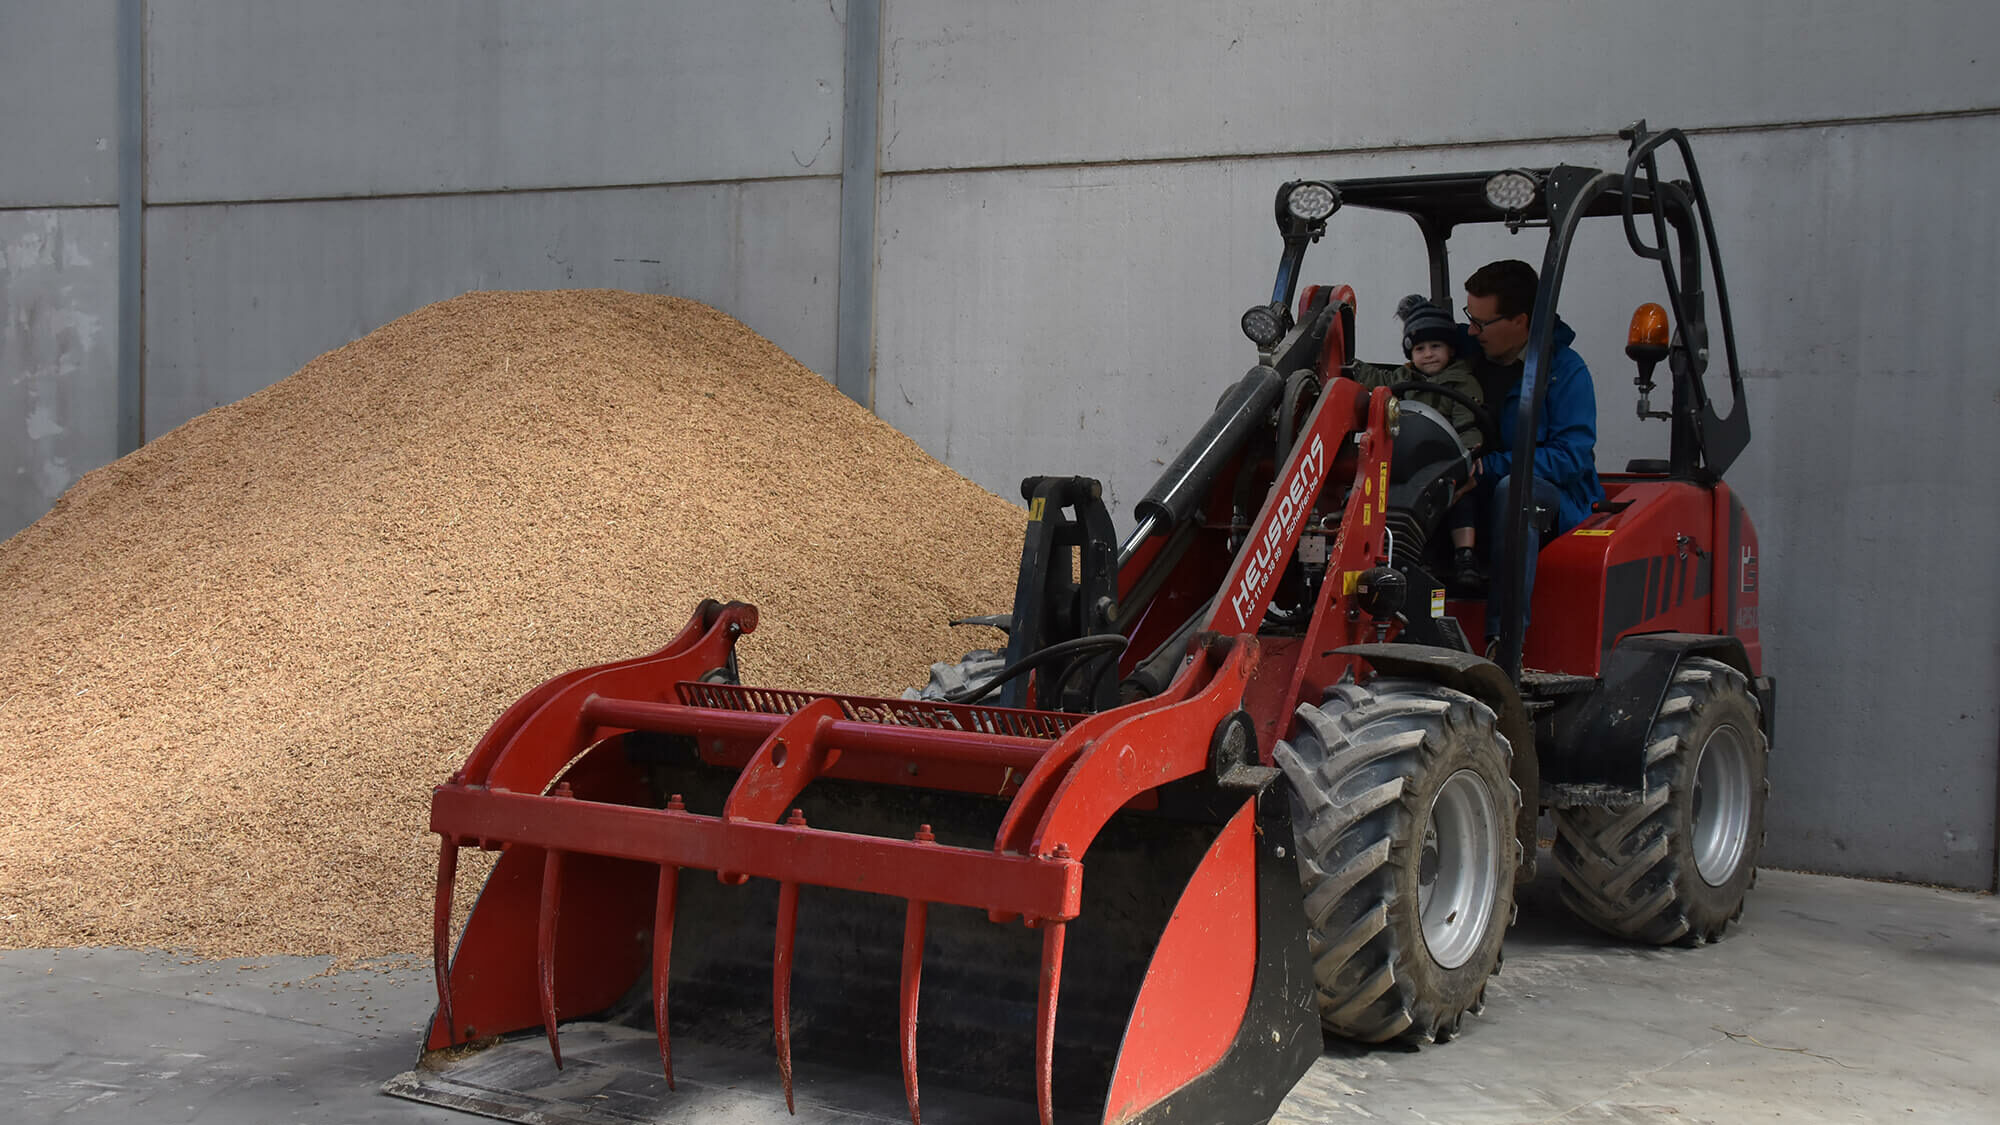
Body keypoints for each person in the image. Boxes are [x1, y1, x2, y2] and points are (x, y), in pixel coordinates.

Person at [1459, 259, 1604, 650]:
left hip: (1554, 503)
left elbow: (1570, 457)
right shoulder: (1464, 355)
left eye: (1482, 323)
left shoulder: (1565, 374)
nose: (1472, 330)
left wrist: (1488, 467)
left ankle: (1503, 642)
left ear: (1521, 321)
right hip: (1474, 487)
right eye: (1468, 317)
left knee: (1514, 491)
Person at [1350, 297, 1487, 590]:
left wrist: (1470, 452)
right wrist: (1348, 363)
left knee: (1461, 501)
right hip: (1404, 464)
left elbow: (1468, 421)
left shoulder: (1462, 382)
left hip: (1444, 463)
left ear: (1450, 349)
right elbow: (1374, 379)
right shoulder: (1402, 377)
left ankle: (1465, 555)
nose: (1428, 354)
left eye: (1435, 347)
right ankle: (1404, 558)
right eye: (1420, 349)